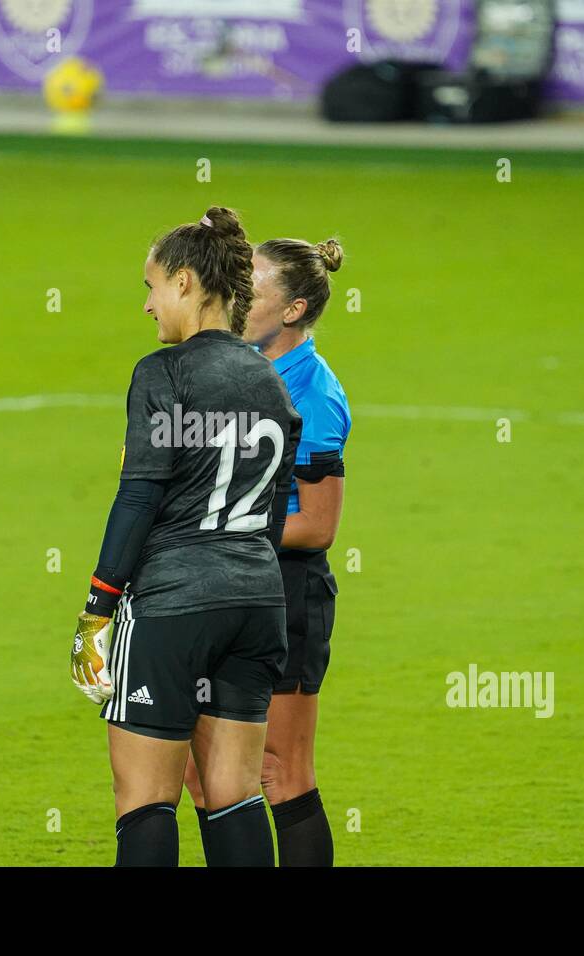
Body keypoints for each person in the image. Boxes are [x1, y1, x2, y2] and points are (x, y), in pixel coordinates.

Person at [69, 207, 302, 866]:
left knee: (145, 798)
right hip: (258, 604)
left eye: (151, 286)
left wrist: (98, 607)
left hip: (175, 604)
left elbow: (138, 495)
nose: (146, 306)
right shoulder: (272, 384)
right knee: (234, 793)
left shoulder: (162, 375)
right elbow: (275, 515)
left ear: (186, 283)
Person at [183, 236, 350, 866]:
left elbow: (317, 526)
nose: (235, 296)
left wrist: (220, 527)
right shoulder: (227, 367)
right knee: (203, 775)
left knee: (279, 772)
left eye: (253, 288)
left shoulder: (313, 396)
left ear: (292, 309)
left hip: (285, 593)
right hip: (214, 586)